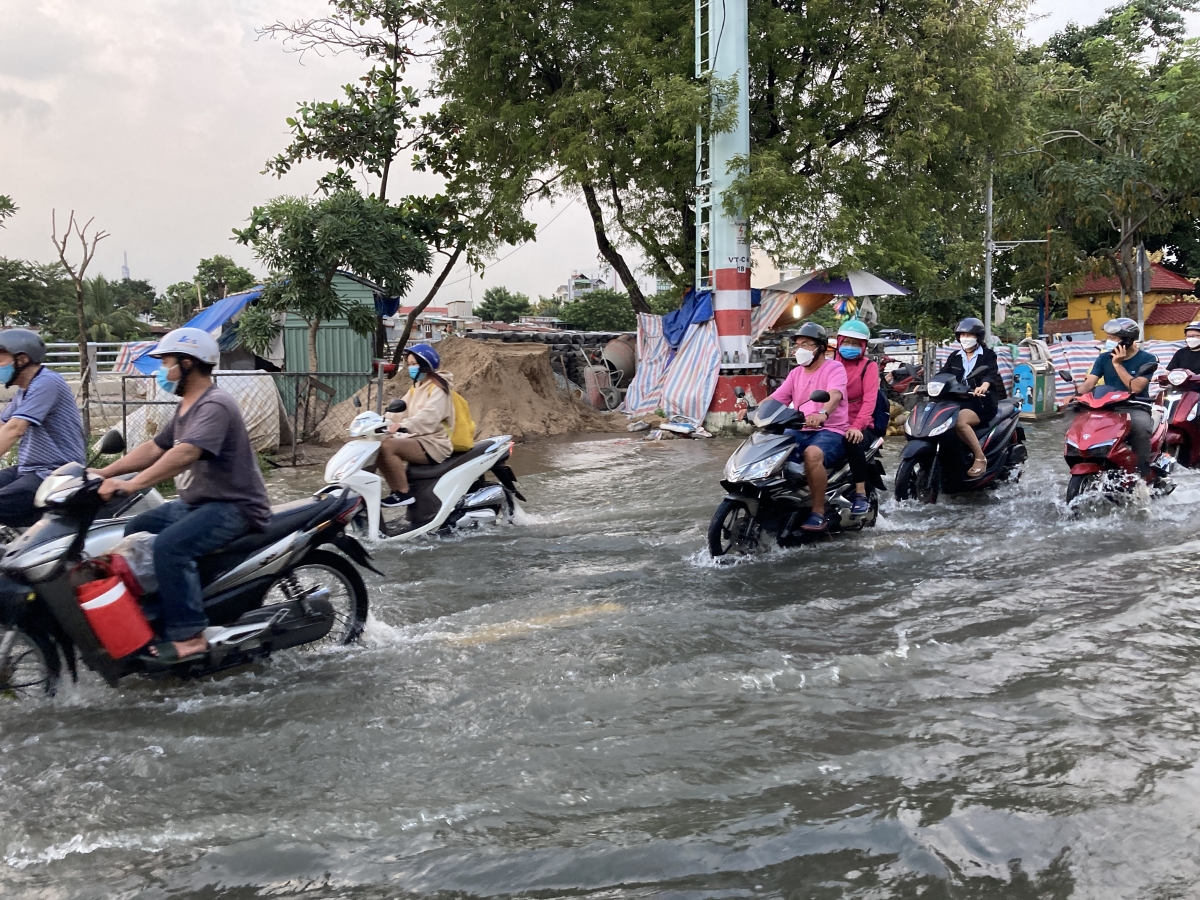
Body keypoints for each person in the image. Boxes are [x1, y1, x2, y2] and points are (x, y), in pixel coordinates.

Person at [94, 328, 271, 661]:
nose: (162, 370)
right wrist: (104, 473)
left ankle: (190, 636)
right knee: (137, 527)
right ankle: (165, 610)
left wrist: (133, 484)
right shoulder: (187, 407)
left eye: (166, 363)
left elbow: (186, 452)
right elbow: (154, 447)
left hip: (234, 506)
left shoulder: (214, 404)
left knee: (169, 547)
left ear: (187, 363)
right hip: (199, 503)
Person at [0, 329, 85, 527]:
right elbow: (3, 424)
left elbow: (15, 429)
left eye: (1, 360)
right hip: (29, 469)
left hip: (55, 472)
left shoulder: (47, 382)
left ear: (21, 359)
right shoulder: (25, 390)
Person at [770, 322, 848, 532]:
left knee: (812, 454)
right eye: (797, 345)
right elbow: (778, 398)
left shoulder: (834, 368)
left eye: (806, 344)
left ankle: (818, 511)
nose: (800, 349)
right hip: (798, 428)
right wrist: (753, 411)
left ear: (820, 347)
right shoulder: (796, 374)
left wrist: (822, 413)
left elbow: (834, 395)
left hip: (830, 430)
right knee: (771, 450)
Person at [1078, 317, 1159, 479]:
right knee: (1078, 426)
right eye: (1108, 337)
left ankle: (1143, 476)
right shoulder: (1103, 357)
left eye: (1113, 338)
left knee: (1141, 430)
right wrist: (1074, 395)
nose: (1108, 342)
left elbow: (1136, 388)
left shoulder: (1147, 359)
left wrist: (1117, 364)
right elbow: (1090, 383)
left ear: (1127, 341)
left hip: (1135, 406)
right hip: (1106, 406)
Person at [377, 342, 456, 508]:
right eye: (409, 365)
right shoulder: (416, 387)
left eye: (414, 364)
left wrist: (403, 426)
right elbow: (399, 409)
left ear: (426, 365)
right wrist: (381, 421)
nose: (411, 368)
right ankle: (396, 491)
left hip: (434, 443)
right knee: (377, 446)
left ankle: (403, 492)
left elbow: (428, 417)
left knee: (387, 446)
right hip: (417, 438)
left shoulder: (438, 388)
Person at [939, 317, 1006, 479]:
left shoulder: (988, 355)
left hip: (981, 402)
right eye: (962, 335)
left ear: (978, 337)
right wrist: (926, 385)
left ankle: (979, 457)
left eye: (969, 335)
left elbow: (990, 373)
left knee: (960, 422)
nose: (965, 338)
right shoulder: (955, 356)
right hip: (957, 400)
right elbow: (943, 374)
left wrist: (984, 386)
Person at [834, 319, 880, 516]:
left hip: (859, 423)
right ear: (839, 341)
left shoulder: (868, 367)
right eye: (847, 342)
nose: (850, 347)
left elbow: (870, 401)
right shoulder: (830, 364)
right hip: (832, 421)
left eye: (855, 343)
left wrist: (857, 426)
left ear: (863, 346)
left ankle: (860, 492)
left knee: (851, 441)